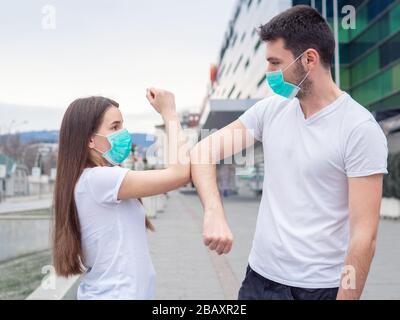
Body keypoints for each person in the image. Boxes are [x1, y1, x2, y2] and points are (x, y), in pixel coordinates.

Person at [190, 5, 388, 300]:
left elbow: (364, 237)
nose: (269, 73)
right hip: (259, 279)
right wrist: (214, 213)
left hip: (319, 288)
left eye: (274, 62)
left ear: (309, 59)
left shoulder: (358, 128)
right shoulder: (271, 110)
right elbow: (203, 151)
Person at [53, 88, 190, 299]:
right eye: (115, 127)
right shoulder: (98, 180)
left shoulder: (97, 179)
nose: (123, 133)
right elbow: (180, 173)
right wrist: (169, 113)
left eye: (122, 125)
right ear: (90, 139)